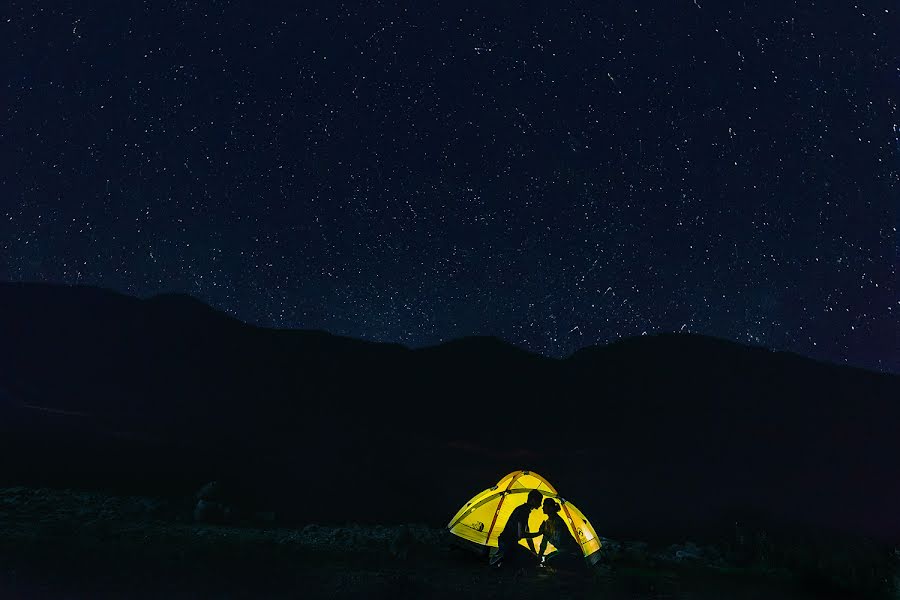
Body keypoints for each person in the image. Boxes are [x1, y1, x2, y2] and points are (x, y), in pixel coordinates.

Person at [489, 489, 543, 569]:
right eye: (539, 501)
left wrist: (534, 552)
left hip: (507, 542)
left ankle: (503, 556)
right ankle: (503, 557)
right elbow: (521, 534)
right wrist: (539, 533)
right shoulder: (523, 511)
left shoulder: (524, 510)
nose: (540, 504)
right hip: (508, 544)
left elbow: (527, 533)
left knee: (533, 558)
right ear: (533, 500)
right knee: (532, 561)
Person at [537, 498, 586, 573]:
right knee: (547, 558)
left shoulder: (558, 522)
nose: (542, 507)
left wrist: (546, 533)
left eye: (545, 505)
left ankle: (571, 569)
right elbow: (544, 543)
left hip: (572, 552)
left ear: (551, 508)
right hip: (562, 551)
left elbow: (559, 542)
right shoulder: (547, 523)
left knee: (550, 561)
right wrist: (539, 557)